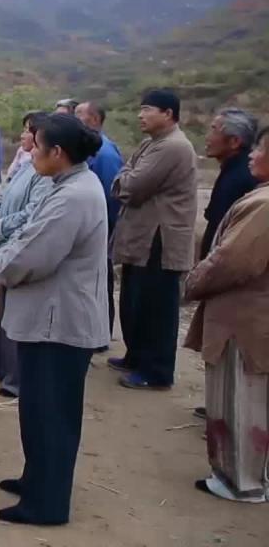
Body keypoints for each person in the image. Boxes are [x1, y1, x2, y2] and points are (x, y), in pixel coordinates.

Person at [0, 114, 111, 526]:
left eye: (36, 144)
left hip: (58, 323)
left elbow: (30, 254)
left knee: (52, 415)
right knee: (38, 409)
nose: (29, 149)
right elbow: (26, 229)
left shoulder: (73, 196)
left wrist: (0, 260)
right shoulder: (66, 185)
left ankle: (47, 503)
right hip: (50, 318)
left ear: (57, 153)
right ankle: (36, 479)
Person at [184, 125, 269, 504]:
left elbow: (230, 262)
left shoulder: (264, 205)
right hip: (252, 314)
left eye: (261, 148)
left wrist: (194, 281)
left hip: (246, 318)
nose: (253, 154)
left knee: (242, 399)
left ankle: (243, 480)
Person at [110, 89, 198, 390]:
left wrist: (126, 178)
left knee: (156, 306)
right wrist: (126, 177)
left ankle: (157, 371)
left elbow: (132, 185)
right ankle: (137, 356)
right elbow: (125, 174)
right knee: (135, 300)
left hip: (161, 238)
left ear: (168, 114)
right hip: (144, 237)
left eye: (147, 109)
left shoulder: (173, 146)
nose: (140, 115)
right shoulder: (152, 143)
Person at [0, 112, 54, 398]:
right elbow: (4, 194)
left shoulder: (44, 175)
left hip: (19, 246)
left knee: (18, 317)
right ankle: (3, 367)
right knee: (4, 313)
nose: (23, 137)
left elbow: (31, 213)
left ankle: (16, 378)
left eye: (28, 132)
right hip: (5, 243)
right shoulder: (26, 165)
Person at [75, 101, 124, 339]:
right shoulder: (90, 149)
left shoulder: (104, 154)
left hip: (100, 229)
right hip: (93, 229)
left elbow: (110, 197)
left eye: (79, 114)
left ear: (94, 120)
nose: (75, 119)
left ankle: (100, 333)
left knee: (98, 282)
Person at [199, 108, 259, 260]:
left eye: (214, 131)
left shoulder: (240, 178)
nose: (208, 138)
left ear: (234, 141)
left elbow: (225, 236)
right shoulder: (234, 170)